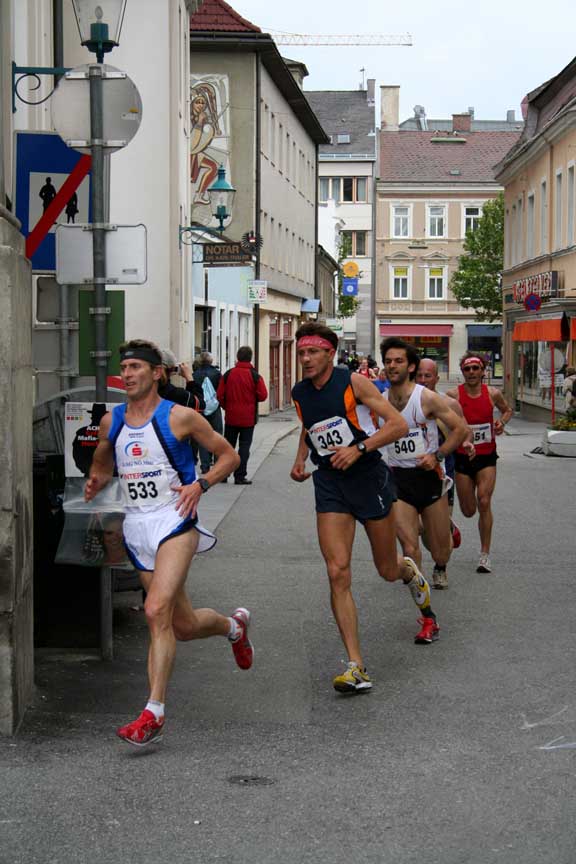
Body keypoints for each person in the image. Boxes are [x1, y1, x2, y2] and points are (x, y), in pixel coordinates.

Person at [85, 339, 253, 747]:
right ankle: (233, 627)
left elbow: (228, 456)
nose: (127, 374)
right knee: (183, 624)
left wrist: (201, 484)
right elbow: (103, 460)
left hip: (175, 521)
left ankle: (153, 712)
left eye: (136, 367)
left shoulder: (181, 417)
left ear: (157, 373)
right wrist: (96, 480)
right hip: (137, 527)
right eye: (124, 367)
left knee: (154, 609)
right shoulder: (112, 421)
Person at [290, 322, 441, 696]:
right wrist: (300, 459)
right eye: (301, 352)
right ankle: (356, 666)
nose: (305, 359)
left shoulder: (354, 383)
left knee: (387, 570)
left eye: (313, 352)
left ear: (330, 353)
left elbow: (397, 425)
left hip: (368, 478)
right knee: (337, 570)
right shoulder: (299, 392)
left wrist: (358, 449)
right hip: (330, 482)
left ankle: (408, 570)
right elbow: (310, 427)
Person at [381, 339, 467, 593]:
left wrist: (437, 455)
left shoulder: (426, 398)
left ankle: (441, 562)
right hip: (398, 479)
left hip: (430, 477)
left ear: (411, 367)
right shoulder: (380, 401)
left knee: (440, 551)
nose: (392, 366)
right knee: (409, 547)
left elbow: (460, 429)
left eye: (398, 361)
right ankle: (420, 597)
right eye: (388, 361)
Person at [446, 352, 513, 574]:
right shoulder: (453, 395)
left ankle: (484, 554)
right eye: (467, 369)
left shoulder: (493, 393)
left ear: (483, 371)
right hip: (462, 457)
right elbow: (442, 419)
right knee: (468, 510)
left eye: (476, 368)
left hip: (486, 456)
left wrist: (501, 423)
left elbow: (507, 410)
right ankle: (449, 524)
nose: (472, 372)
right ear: (462, 372)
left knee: (484, 501)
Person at [415, 358, 474, 585]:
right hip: (410, 474)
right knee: (417, 527)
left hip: (441, 476)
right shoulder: (403, 401)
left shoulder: (449, 404)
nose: (423, 380)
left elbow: (465, 429)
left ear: (436, 378)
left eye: (427, 376)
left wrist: (466, 443)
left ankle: (440, 568)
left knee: (436, 539)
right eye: (419, 375)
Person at [217, 346, 268, 485]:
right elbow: (263, 395)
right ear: (250, 358)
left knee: (228, 447)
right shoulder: (255, 375)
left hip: (231, 417)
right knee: (244, 448)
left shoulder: (228, 374)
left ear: (237, 357)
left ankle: (223, 474)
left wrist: (226, 406)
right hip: (248, 418)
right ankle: (240, 476)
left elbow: (219, 395)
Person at [193, 352, 223, 474]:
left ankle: (205, 466)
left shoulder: (195, 374)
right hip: (214, 408)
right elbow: (221, 391)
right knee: (217, 435)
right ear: (211, 361)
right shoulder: (217, 374)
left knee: (202, 436)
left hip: (201, 408)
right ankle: (217, 462)